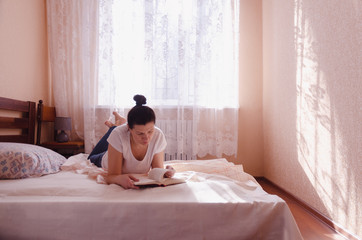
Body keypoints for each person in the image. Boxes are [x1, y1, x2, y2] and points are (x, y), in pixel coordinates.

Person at [88, 94, 174, 189]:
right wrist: (119, 179)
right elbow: (111, 176)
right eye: (140, 133)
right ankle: (114, 126)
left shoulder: (158, 135)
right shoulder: (119, 134)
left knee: (117, 133)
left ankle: (117, 123)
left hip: (120, 139)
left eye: (150, 131)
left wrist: (166, 173)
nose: (146, 138)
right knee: (90, 157)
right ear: (129, 128)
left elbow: (156, 169)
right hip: (102, 158)